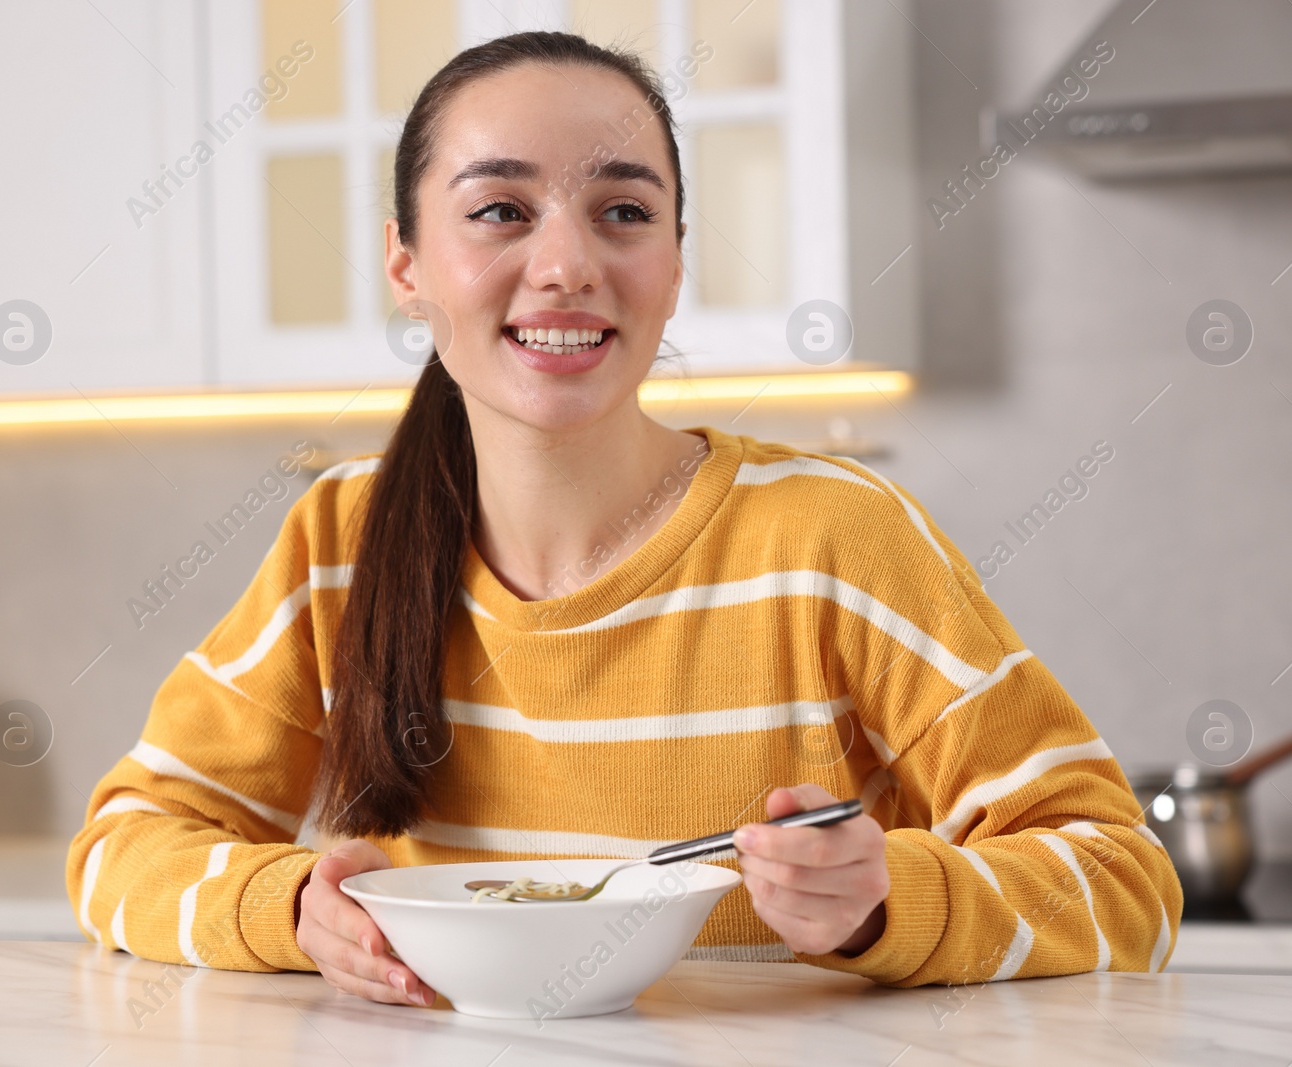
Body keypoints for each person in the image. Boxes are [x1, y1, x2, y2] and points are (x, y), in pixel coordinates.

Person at [67, 31, 1181, 1009]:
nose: (565, 266)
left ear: (676, 260)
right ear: (406, 264)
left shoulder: (836, 537)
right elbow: (120, 847)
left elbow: (1127, 879)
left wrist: (887, 898)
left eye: (624, 213)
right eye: (499, 210)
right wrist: (292, 906)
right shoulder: (338, 544)